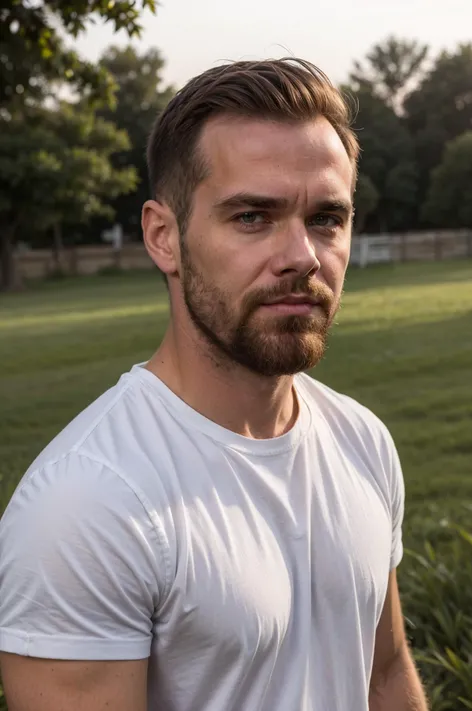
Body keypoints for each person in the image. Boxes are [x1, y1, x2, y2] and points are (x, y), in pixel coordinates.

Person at [0, 58, 427, 711]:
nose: (303, 255)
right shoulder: (85, 505)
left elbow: (385, 676)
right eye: (253, 216)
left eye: (326, 218)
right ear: (163, 237)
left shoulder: (362, 442)